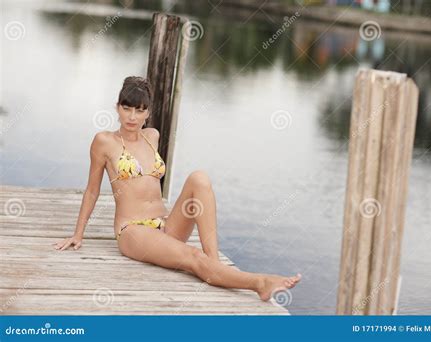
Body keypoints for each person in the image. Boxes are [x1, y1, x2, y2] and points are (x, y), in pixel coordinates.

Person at [54, 76, 301, 301]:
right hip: (133, 232)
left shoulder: (152, 136)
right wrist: (78, 234)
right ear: (117, 107)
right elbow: (92, 190)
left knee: (199, 178)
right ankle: (259, 282)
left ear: (148, 113)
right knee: (192, 258)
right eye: (126, 108)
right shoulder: (104, 141)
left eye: (139, 111)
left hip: (165, 225)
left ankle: (214, 265)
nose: (132, 117)